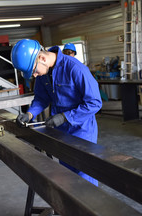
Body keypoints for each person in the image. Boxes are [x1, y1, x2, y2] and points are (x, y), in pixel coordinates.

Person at [11, 39, 102, 186]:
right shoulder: (43, 73)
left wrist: (65, 117)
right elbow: (41, 98)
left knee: (85, 181)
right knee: (67, 177)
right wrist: (30, 114)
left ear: (42, 58)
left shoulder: (75, 69)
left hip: (82, 132)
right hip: (61, 133)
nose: (34, 75)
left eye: (34, 70)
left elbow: (95, 103)